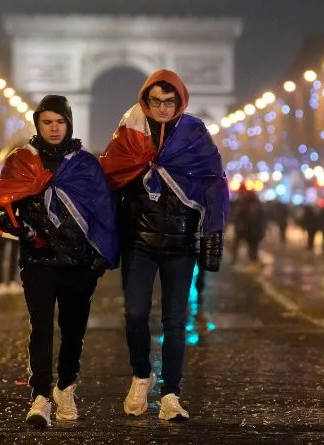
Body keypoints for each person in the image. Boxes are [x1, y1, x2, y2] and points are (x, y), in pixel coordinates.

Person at [0, 95, 117, 428]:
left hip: (79, 263)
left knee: (74, 332)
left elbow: (104, 210)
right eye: (47, 122)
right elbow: (3, 204)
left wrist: (102, 257)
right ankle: (41, 396)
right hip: (39, 260)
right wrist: (18, 227)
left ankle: (66, 386)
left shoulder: (86, 164)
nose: (53, 128)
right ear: (37, 123)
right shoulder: (21, 160)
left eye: (59, 122)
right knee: (41, 329)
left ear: (69, 123)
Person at [100, 69, 228, 421]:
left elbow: (213, 182)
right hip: (139, 242)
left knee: (175, 321)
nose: (162, 107)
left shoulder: (195, 134)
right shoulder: (129, 134)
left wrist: (213, 233)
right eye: (155, 100)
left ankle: (171, 392)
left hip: (181, 244)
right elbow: (110, 180)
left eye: (169, 101)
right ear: (145, 100)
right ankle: (142, 374)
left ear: (180, 101)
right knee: (136, 314)